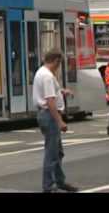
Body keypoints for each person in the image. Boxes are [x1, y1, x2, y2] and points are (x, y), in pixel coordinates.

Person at [33, 48, 78, 193]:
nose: (60, 66)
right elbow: (50, 101)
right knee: (52, 153)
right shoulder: (47, 76)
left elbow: (52, 93)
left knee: (58, 152)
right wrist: (60, 121)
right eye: (60, 63)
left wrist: (62, 91)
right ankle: (49, 186)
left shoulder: (42, 72)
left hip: (47, 115)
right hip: (49, 116)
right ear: (56, 61)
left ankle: (59, 181)